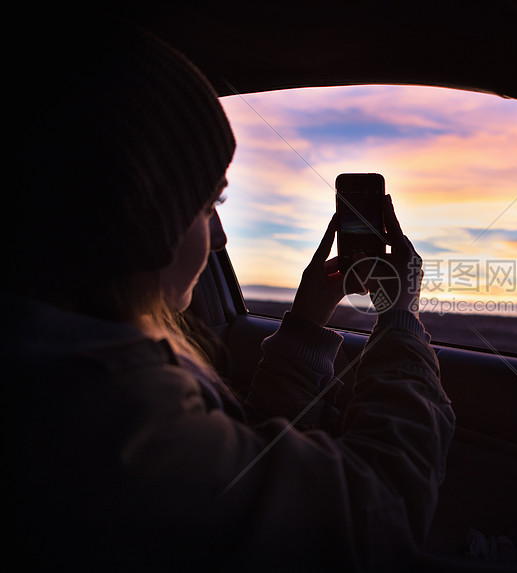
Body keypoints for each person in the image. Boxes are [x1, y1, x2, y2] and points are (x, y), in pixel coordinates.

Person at [8, 19, 454, 572]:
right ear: (139, 218)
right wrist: (399, 316)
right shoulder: (108, 410)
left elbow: (250, 466)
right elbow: (375, 508)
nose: (219, 236)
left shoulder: (72, 373)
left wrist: (310, 323)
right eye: (207, 206)